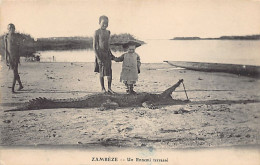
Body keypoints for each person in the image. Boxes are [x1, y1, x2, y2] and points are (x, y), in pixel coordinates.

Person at [93, 15, 115, 94]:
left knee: (109, 72)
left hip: (107, 54)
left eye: (107, 23)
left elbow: (108, 45)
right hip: (100, 54)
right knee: (102, 72)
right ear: (99, 23)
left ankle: (109, 88)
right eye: (103, 23)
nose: (105, 25)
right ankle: (102, 88)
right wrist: (98, 58)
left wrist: (111, 55)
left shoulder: (108, 32)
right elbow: (94, 47)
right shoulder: (97, 32)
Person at [4, 23, 24, 93]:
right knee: (15, 72)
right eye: (10, 29)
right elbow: (6, 49)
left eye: (13, 28)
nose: (12, 30)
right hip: (10, 57)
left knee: (15, 72)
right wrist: (6, 58)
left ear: (14, 29)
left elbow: (18, 48)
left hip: (15, 57)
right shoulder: (6, 37)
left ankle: (12, 88)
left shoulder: (16, 37)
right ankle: (21, 85)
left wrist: (18, 58)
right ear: (8, 29)